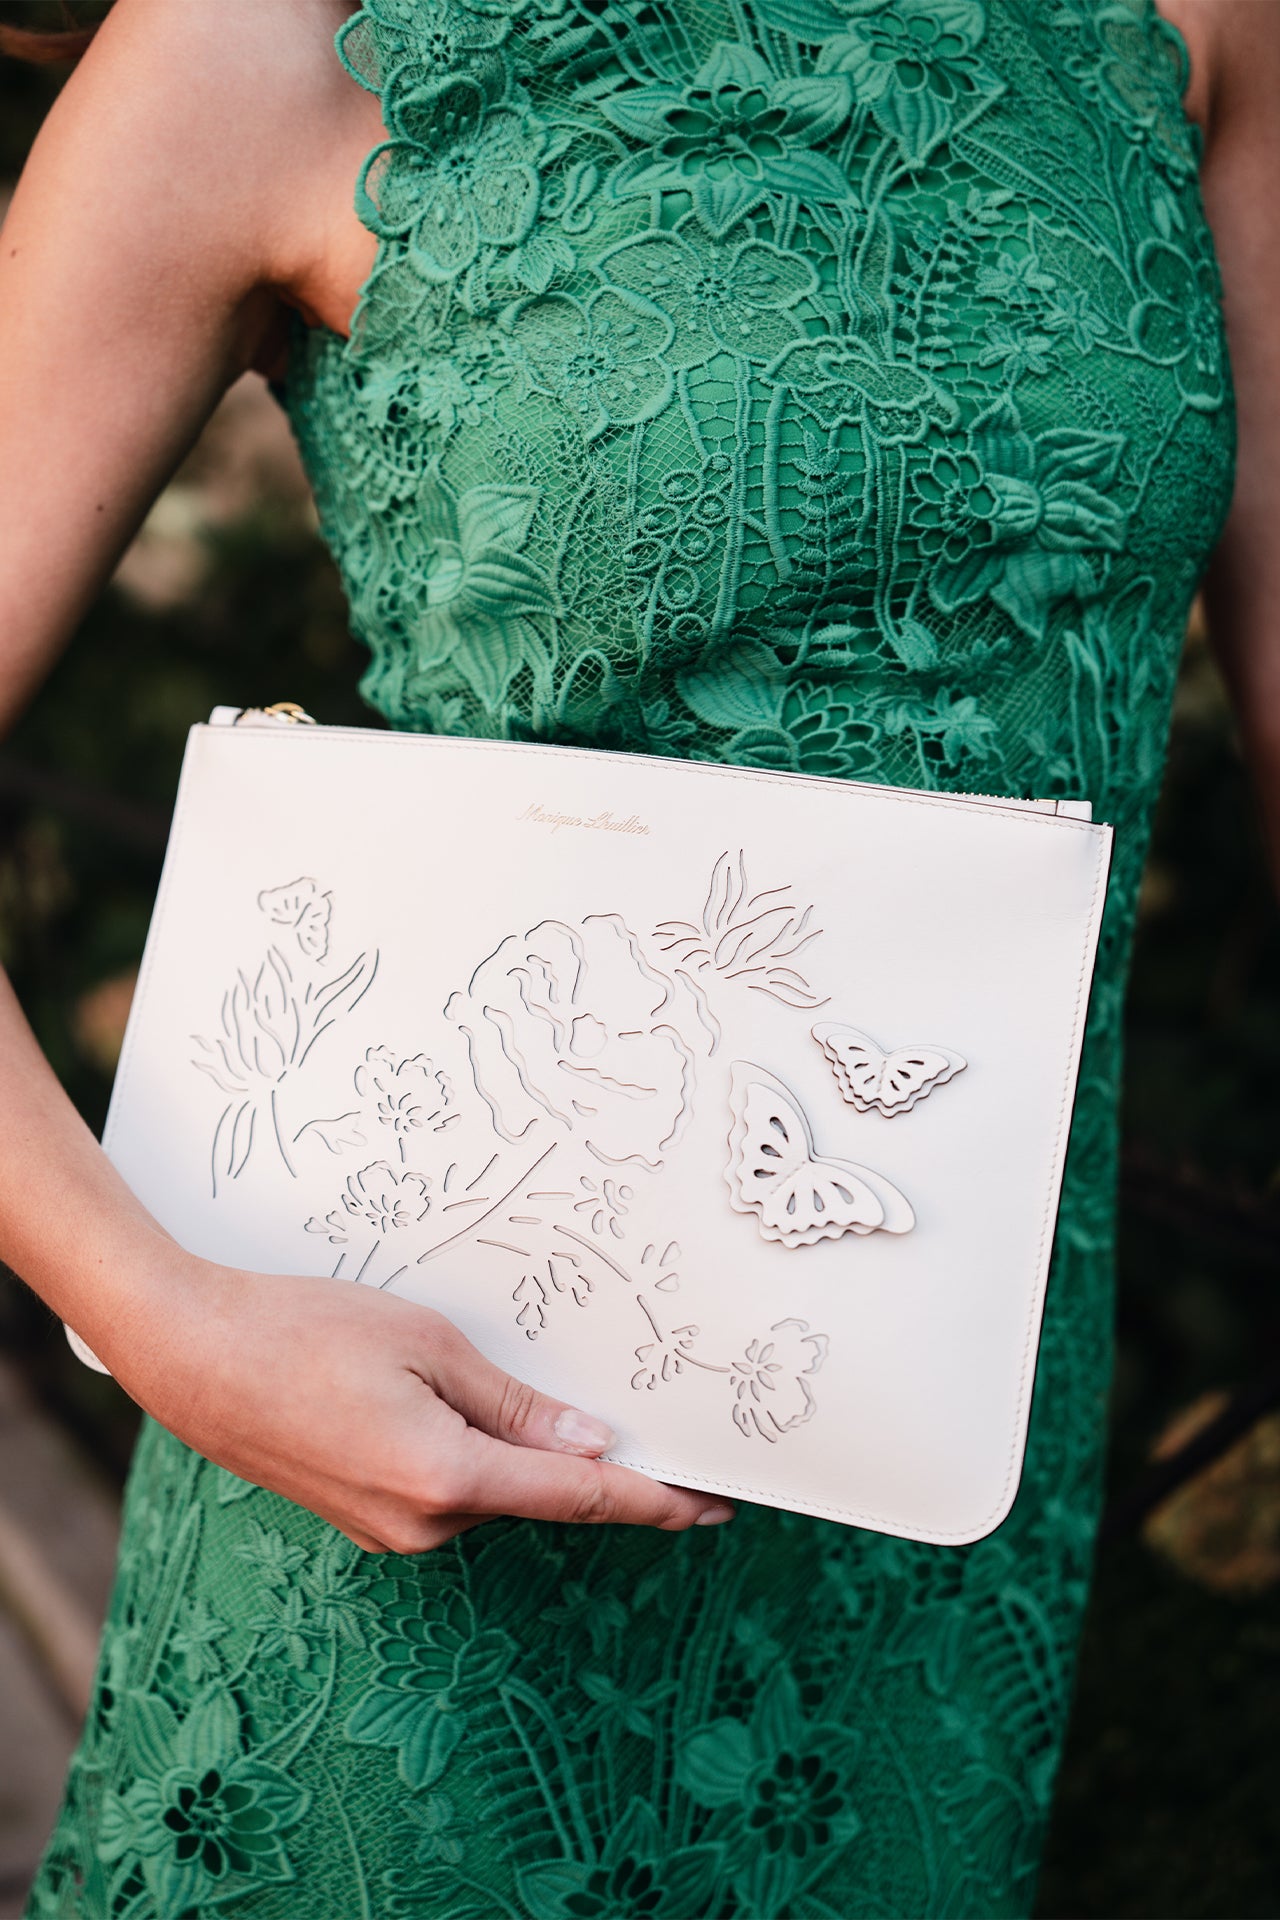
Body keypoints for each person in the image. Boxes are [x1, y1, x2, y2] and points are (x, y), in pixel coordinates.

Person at [0, 0, 1274, 1912]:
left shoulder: (1188, 22)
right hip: (415, 1513)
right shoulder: (255, 46)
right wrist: (171, 1325)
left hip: (935, 1507)